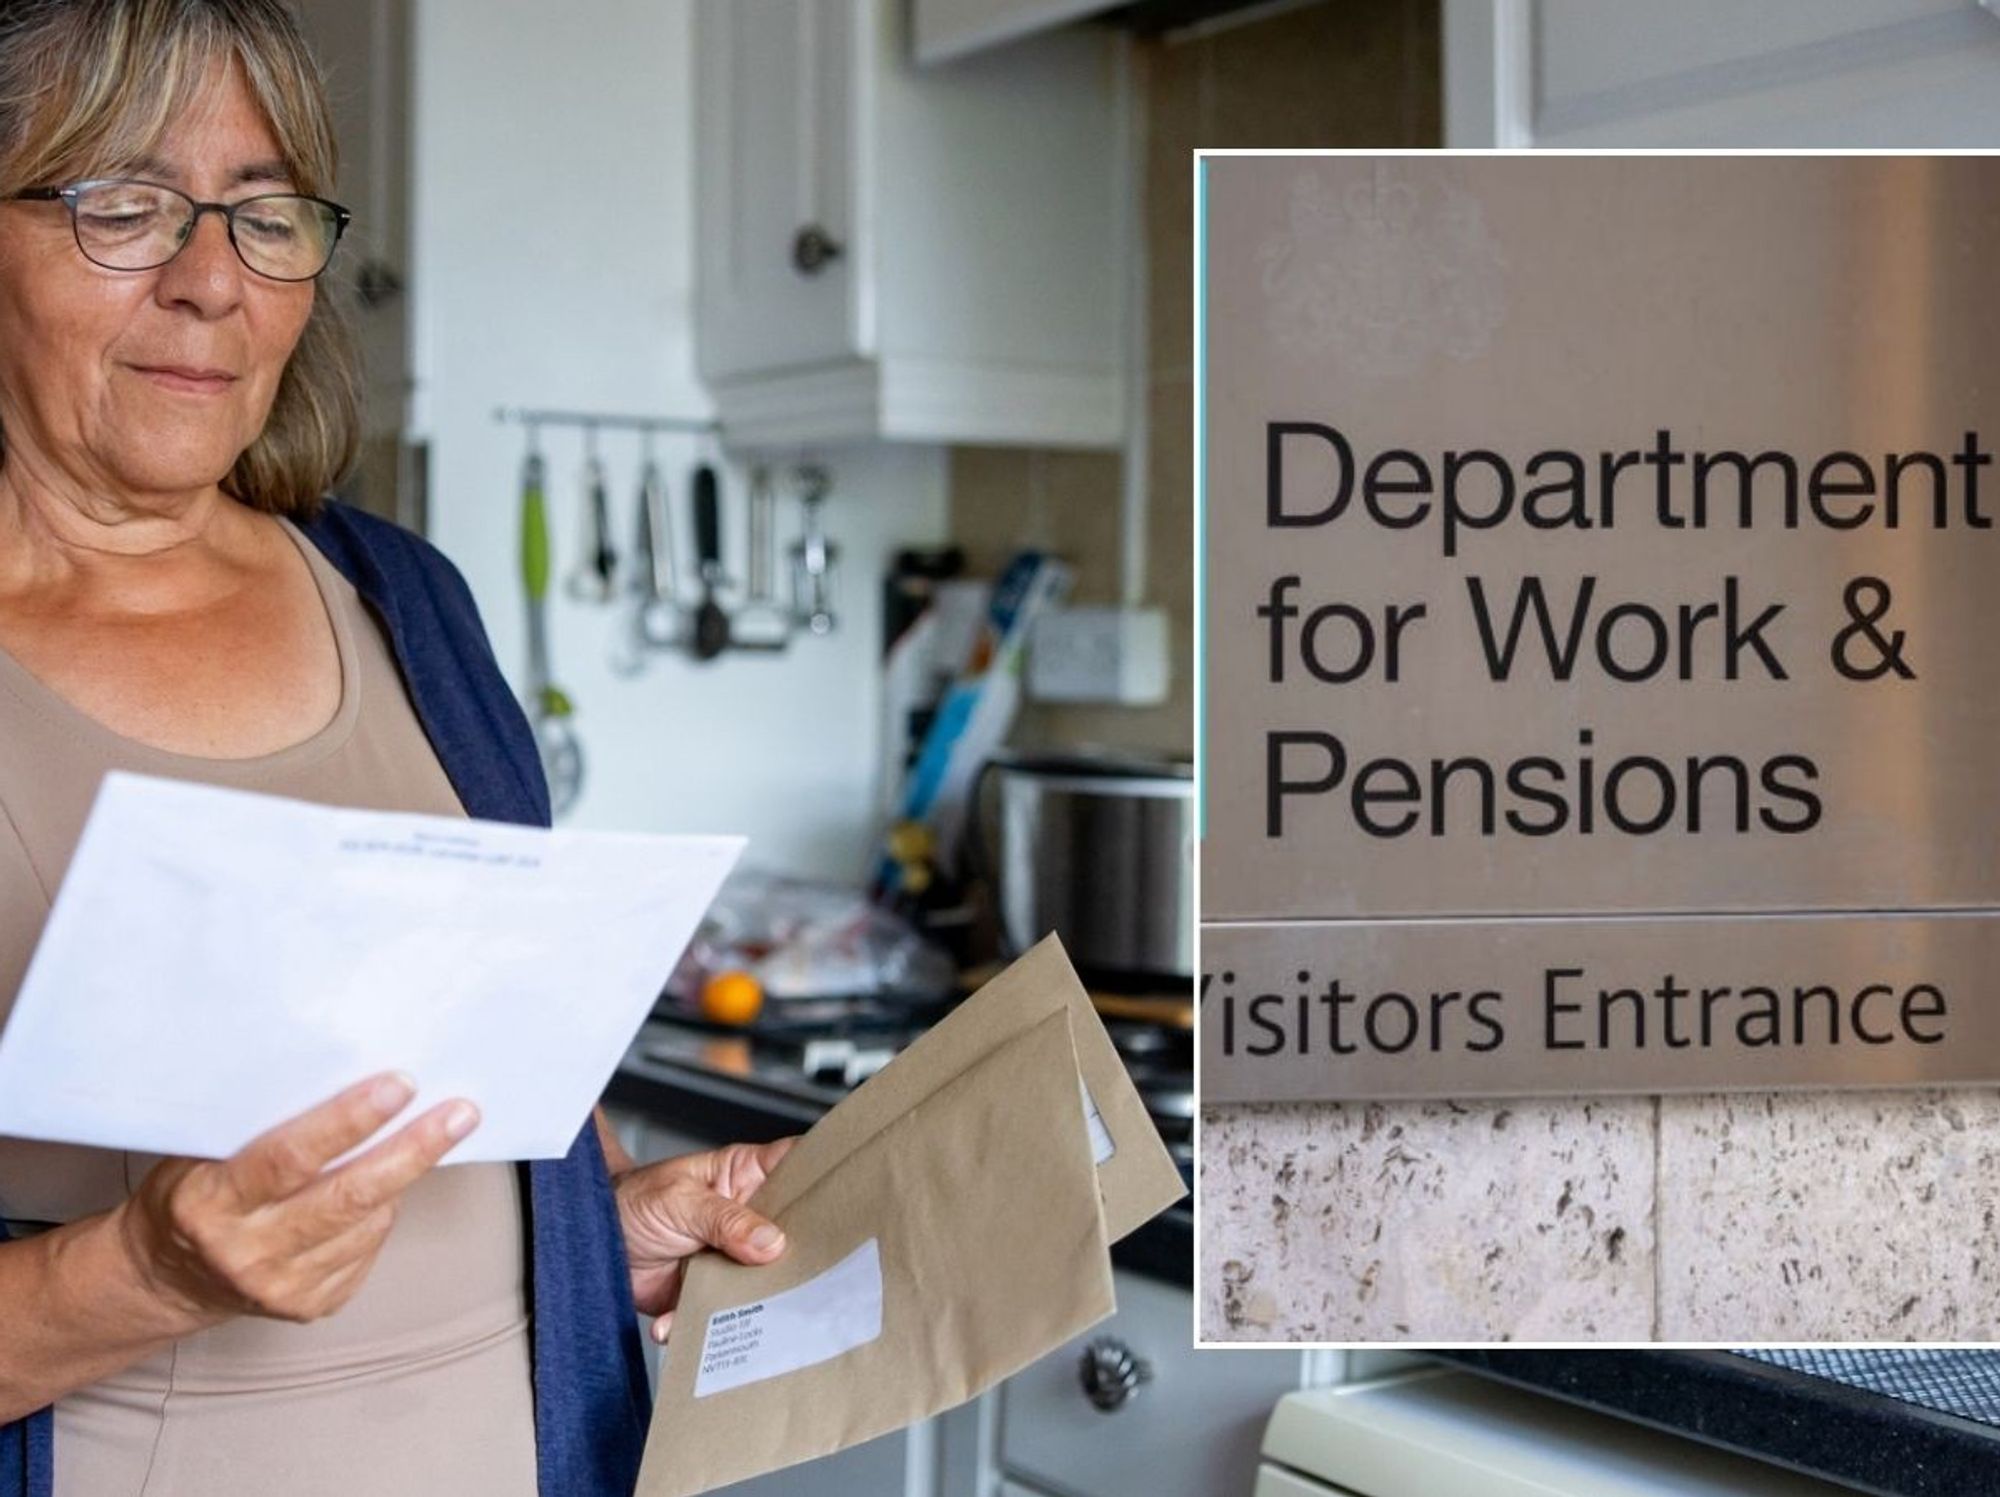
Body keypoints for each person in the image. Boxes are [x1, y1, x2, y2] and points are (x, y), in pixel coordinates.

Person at [0, 3, 787, 1493]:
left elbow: (451, 1142)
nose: (210, 283)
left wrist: (592, 1237)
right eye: (123, 200)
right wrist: (151, 1273)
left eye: (265, 212)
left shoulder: (406, 601)